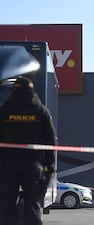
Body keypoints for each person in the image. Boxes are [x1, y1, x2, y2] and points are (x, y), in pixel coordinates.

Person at [0, 77, 57, 225]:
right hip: (33, 167)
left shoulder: (5, 110)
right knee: (33, 206)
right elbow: (50, 141)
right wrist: (50, 166)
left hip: (8, 167)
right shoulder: (40, 111)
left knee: (7, 207)